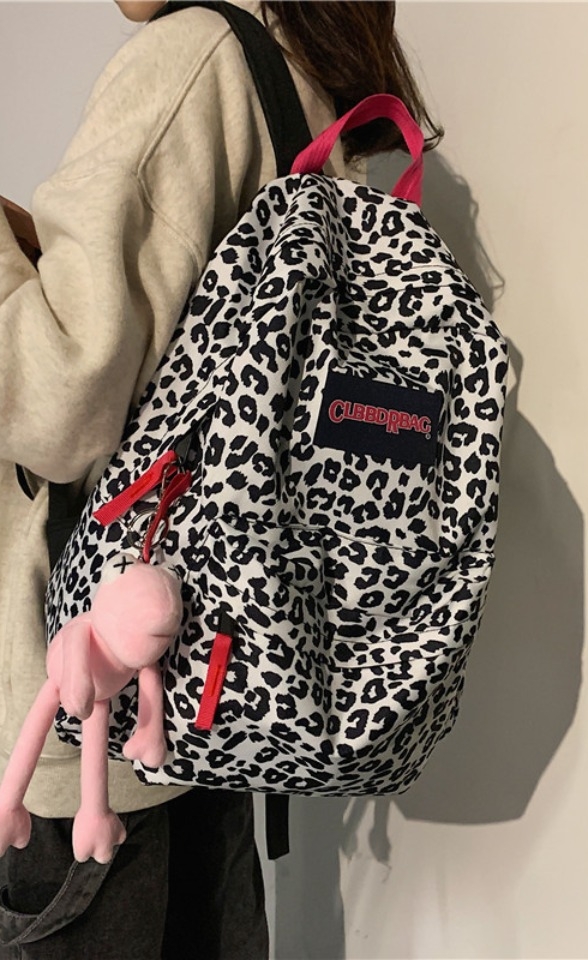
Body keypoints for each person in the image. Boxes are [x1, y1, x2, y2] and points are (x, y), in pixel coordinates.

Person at [0, 1, 441, 957]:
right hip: (215, 693)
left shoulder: (190, 59)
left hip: (88, 711)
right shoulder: (300, 73)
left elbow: (58, 408)